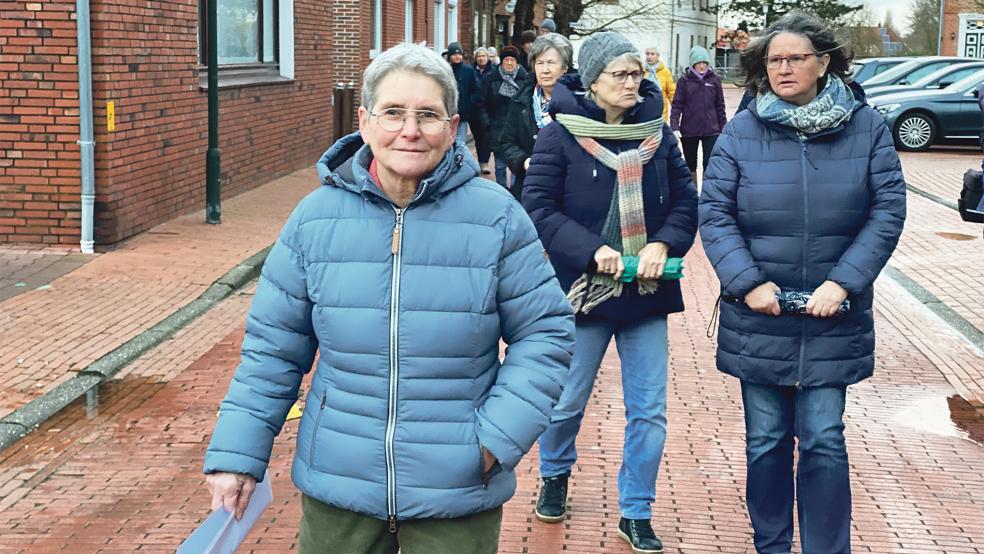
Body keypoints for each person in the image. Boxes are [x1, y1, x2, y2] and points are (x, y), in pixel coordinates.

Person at [202, 42, 575, 554]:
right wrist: (238, 454)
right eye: (394, 112)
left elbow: (546, 333)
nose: (410, 130)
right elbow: (272, 350)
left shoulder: (497, 218)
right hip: (340, 485)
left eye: (428, 115)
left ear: (453, 124)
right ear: (364, 119)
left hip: (456, 493)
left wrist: (494, 441)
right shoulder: (315, 220)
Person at [699, 12, 906, 554]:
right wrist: (747, 283)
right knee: (765, 443)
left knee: (823, 442)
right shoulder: (741, 130)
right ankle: (772, 545)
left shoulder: (868, 127)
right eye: (774, 61)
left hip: (831, 314)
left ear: (824, 62)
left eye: (795, 58)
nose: (784, 68)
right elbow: (715, 213)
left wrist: (844, 283)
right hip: (759, 314)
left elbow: (887, 211)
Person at [523, 31, 698, 554]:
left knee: (648, 409)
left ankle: (636, 510)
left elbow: (688, 203)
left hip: (646, 294)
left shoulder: (659, 135)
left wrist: (665, 244)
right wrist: (586, 249)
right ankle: (554, 474)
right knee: (567, 400)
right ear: (592, 81)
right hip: (584, 293)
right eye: (619, 74)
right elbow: (537, 207)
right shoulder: (559, 136)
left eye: (635, 74)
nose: (631, 82)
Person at [497, 33, 573, 201]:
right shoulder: (520, 99)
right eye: (540, 63)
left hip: (568, 186)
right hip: (529, 184)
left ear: (565, 67)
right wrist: (524, 162)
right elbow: (507, 141)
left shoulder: (578, 101)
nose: (545, 69)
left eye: (551, 63)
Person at [670, 45, 726, 183]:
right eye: (699, 63)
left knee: (709, 163)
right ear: (693, 64)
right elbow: (677, 105)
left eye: (704, 63)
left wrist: (724, 127)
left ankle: (707, 194)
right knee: (690, 164)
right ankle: (693, 193)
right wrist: (674, 126)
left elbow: (720, 106)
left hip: (711, 130)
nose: (702, 66)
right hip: (689, 130)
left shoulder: (714, 80)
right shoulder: (684, 81)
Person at [481, 45, 527, 191]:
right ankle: (501, 190)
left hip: (518, 129)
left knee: (516, 163)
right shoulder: (491, 78)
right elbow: (481, 102)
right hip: (497, 127)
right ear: (501, 61)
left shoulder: (524, 80)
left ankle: (514, 190)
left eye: (512, 59)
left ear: (517, 62)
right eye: (506, 59)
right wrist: (486, 122)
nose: (509, 63)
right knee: (500, 164)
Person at [447, 42, 482, 147]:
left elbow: (476, 90)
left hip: (463, 113)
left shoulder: (469, 70)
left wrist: (469, 104)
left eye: (459, 54)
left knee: (461, 142)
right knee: (448, 141)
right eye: (454, 54)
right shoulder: (446, 70)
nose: (457, 57)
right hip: (448, 113)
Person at [473, 46, 497, 175]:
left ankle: (484, 163)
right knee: (478, 137)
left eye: (483, 56)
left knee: (487, 137)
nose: (481, 58)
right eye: (479, 56)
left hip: (489, 109)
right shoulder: (472, 71)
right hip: (475, 109)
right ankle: (480, 161)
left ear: (488, 58)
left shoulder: (493, 71)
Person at [643, 47, 674, 121]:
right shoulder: (642, 71)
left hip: (661, 113)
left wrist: (676, 110)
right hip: (644, 111)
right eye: (647, 54)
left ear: (658, 56)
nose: (649, 56)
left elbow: (672, 93)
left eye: (652, 54)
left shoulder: (665, 72)